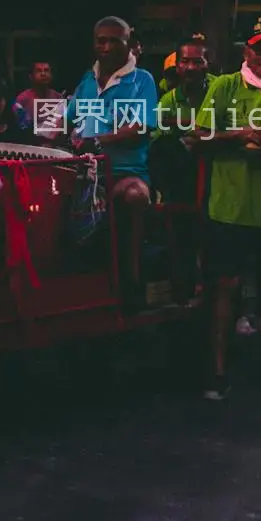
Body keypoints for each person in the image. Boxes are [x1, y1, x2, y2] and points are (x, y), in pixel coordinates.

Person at [196, 17, 261, 398]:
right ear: (247, 52)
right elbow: (197, 136)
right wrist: (238, 135)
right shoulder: (224, 86)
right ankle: (217, 371)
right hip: (231, 207)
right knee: (226, 286)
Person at [68, 17, 160, 308]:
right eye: (100, 40)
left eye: (114, 41)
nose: (105, 47)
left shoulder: (141, 80)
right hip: (86, 174)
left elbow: (141, 128)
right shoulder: (87, 81)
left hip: (125, 174)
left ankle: (131, 282)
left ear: (128, 44)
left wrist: (99, 139)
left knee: (135, 196)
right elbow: (67, 120)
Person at [154, 36, 213, 304]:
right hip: (182, 182)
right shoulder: (167, 100)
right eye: (185, 62)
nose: (190, 67)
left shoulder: (219, 90)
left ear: (207, 63)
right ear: (177, 66)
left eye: (196, 61)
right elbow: (159, 139)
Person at [12, 60, 65, 139]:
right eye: (39, 71)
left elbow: (61, 126)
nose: (43, 74)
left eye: (46, 70)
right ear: (31, 76)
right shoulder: (22, 99)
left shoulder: (58, 98)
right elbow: (22, 129)